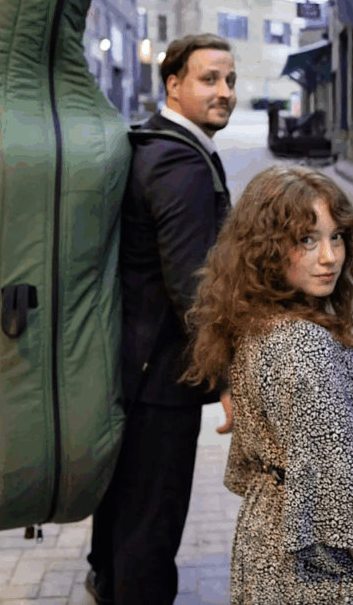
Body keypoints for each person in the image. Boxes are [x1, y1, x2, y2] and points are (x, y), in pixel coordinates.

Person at [179, 166, 353, 605]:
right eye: (306, 240)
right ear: (265, 250)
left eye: (335, 236)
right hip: (323, 563)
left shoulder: (255, 321)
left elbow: (252, 458)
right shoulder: (302, 345)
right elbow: (344, 479)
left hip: (270, 537)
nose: (329, 257)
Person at [86, 33, 237, 604]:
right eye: (209, 79)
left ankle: (105, 581)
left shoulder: (156, 143)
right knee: (153, 520)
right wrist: (225, 380)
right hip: (160, 377)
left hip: (130, 362)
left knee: (123, 501)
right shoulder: (179, 160)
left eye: (229, 81)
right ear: (173, 85)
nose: (224, 92)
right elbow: (191, 286)